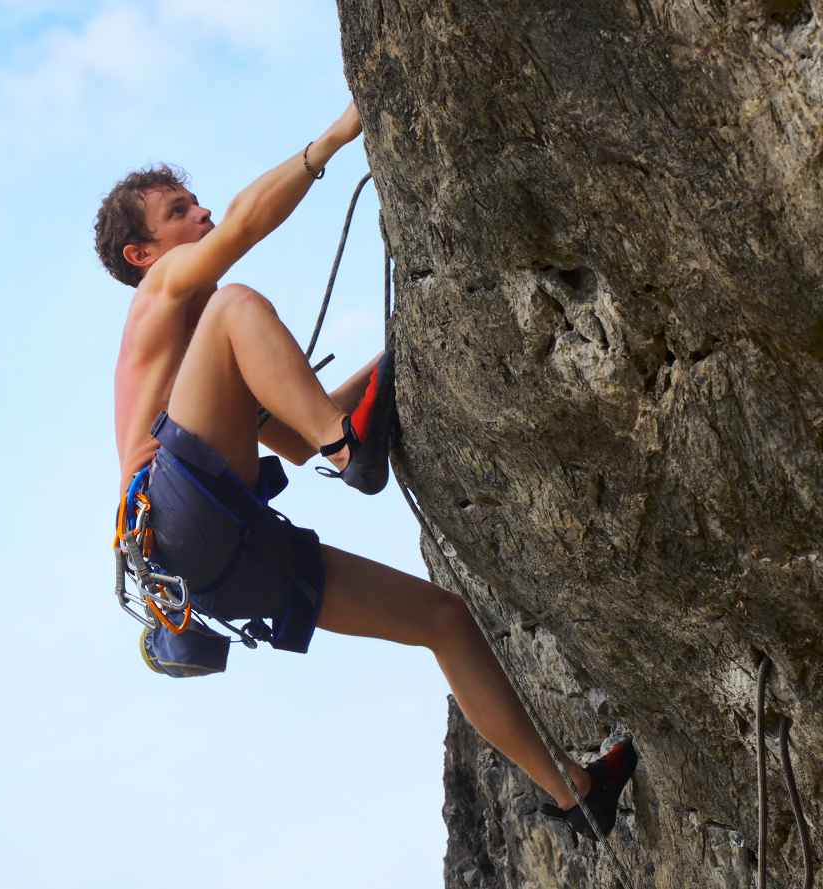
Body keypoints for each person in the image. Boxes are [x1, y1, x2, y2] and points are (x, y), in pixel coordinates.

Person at [94, 99, 637, 839]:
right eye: (180, 210)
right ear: (142, 254)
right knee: (235, 303)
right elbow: (250, 227)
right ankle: (348, 449)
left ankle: (571, 789)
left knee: (444, 620)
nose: (205, 213)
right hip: (180, 516)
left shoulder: (204, 386)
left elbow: (291, 435)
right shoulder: (165, 300)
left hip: (215, 562)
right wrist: (336, 138)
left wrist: (406, 355)